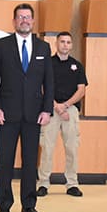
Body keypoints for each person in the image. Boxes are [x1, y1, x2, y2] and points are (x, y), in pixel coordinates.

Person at [0, 3, 53, 212]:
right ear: (14, 21)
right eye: (20, 17)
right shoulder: (1, 45)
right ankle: (4, 205)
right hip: (6, 114)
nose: (24, 20)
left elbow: (49, 82)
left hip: (34, 115)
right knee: (5, 160)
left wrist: (47, 110)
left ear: (33, 21)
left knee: (30, 161)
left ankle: (28, 204)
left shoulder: (43, 48)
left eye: (28, 17)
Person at [37, 31, 87, 198]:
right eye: (62, 42)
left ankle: (72, 184)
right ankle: (43, 183)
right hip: (50, 109)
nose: (65, 45)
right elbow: (42, 88)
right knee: (47, 148)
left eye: (68, 42)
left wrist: (65, 106)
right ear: (56, 44)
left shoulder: (77, 66)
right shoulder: (47, 64)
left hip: (70, 110)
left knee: (72, 148)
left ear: (71, 45)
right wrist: (56, 107)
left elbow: (81, 90)